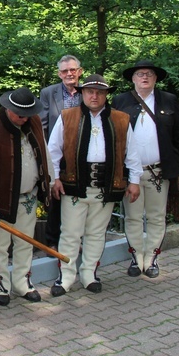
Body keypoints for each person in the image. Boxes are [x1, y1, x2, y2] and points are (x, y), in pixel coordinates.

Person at [47, 74, 142, 296]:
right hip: (74, 186)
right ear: (82, 93)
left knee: (96, 233)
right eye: (90, 91)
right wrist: (55, 179)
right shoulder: (67, 116)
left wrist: (134, 181)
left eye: (99, 92)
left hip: (106, 186)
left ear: (106, 95)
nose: (94, 96)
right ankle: (66, 277)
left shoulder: (121, 119)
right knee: (70, 233)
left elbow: (132, 153)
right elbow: (53, 150)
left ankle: (89, 274)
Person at [112, 60, 179, 278]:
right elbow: (115, 138)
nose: (144, 77)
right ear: (133, 78)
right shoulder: (121, 101)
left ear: (156, 78)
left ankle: (152, 258)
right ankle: (136, 259)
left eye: (149, 74)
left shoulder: (169, 100)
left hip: (159, 172)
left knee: (157, 216)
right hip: (132, 174)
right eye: (140, 74)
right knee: (133, 217)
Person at [0, 87, 52, 306]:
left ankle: (22, 283)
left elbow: (44, 151)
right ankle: (1, 285)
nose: (23, 119)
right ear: (8, 108)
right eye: (19, 114)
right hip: (1, 198)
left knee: (26, 241)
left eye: (27, 114)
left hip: (28, 196)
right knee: (0, 245)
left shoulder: (33, 121)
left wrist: (49, 180)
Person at [39, 55, 84, 250]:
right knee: (57, 197)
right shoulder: (48, 93)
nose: (69, 74)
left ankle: (77, 240)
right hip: (58, 154)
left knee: (80, 200)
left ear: (79, 72)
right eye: (65, 71)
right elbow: (42, 126)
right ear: (59, 74)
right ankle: (53, 242)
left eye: (72, 70)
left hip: (83, 155)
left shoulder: (88, 92)